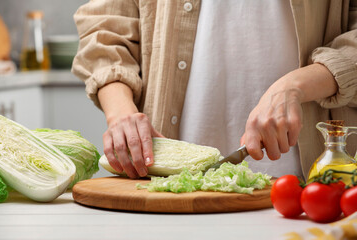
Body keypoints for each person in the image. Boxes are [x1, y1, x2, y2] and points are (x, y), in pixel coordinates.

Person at [72, 0, 357, 179]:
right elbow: (105, 28)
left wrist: (293, 87)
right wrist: (121, 113)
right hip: (170, 188)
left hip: (309, 185)